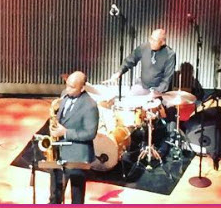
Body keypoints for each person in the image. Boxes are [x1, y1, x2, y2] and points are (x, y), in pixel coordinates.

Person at [48, 71, 99, 204]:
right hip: (59, 151)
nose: (67, 89)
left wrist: (64, 132)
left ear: (82, 88)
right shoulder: (65, 96)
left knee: (76, 196)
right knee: (55, 193)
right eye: (67, 85)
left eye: (72, 87)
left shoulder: (90, 106)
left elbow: (90, 133)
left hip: (78, 156)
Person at [111, 28, 176, 95]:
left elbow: (167, 79)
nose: (151, 42)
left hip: (158, 90)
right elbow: (131, 59)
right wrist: (119, 72)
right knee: (131, 98)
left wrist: (156, 92)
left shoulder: (170, 55)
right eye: (151, 39)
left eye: (154, 40)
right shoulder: (144, 47)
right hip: (142, 85)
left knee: (154, 104)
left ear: (162, 42)